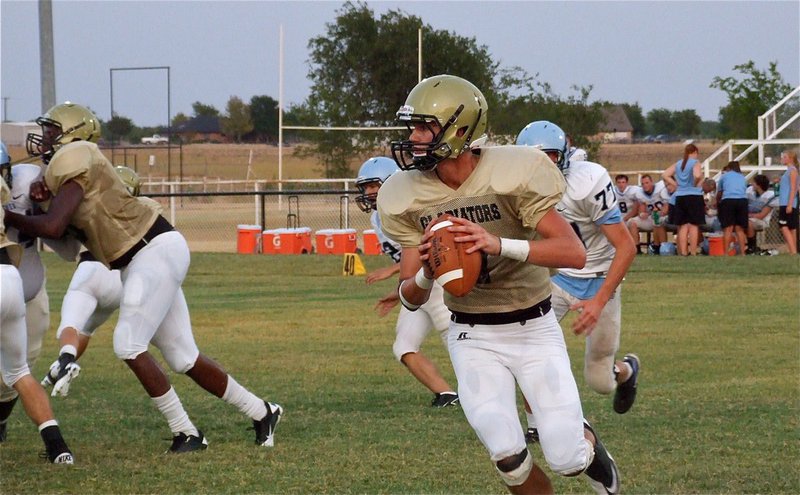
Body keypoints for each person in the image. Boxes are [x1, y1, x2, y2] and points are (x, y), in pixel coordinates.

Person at [378, 74, 620, 495]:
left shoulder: (513, 170)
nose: (413, 138)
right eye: (411, 128)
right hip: (472, 333)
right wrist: (426, 273)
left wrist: (498, 244)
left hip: (534, 328)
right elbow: (409, 295)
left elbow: (572, 252)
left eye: (423, 127)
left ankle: (591, 450)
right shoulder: (405, 195)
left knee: (565, 458)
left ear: (460, 128)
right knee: (507, 455)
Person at [4, 102, 282, 453]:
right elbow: (64, 235)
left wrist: (8, 216)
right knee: (183, 356)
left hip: (152, 249)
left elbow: (54, 225)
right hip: (141, 258)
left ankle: (188, 433)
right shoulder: (69, 170)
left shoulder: (76, 154)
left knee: (128, 344)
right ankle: (263, 411)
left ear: (73, 134)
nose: (44, 138)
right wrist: (44, 204)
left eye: (51, 130)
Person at [516, 121, 639, 436]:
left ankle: (626, 371)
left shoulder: (587, 182)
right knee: (530, 350)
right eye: (533, 159)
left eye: (549, 157)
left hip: (599, 278)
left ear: (564, 157)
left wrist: (598, 301)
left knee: (600, 381)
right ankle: (535, 426)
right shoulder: (518, 187)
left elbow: (626, 246)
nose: (542, 166)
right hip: (555, 277)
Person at [355, 157, 458, 408]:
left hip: (437, 286)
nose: (368, 193)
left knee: (458, 344)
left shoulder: (409, 209)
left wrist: (390, 271)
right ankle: (447, 394)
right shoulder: (377, 219)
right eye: (365, 187)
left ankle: (487, 393)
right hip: (417, 288)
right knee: (403, 346)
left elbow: (432, 252)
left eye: (373, 186)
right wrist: (398, 292)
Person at [40, 167, 144, 397]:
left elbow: (60, 226)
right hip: (120, 281)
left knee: (70, 326)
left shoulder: (92, 205)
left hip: (92, 270)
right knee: (86, 330)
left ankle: (66, 362)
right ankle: (54, 373)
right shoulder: (140, 213)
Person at [0, 155, 81, 440]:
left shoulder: (28, 180)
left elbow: (64, 238)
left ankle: (0, 421)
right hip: (13, 283)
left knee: (19, 369)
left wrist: (44, 203)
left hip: (27, 290)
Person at [662, 143, 704, 255]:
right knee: (694, 225)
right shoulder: (695, 163)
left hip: (680, 195)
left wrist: (675, 184)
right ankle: (693, 251)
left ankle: (683, 251)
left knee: (683, 225)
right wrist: (695, 184)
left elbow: (665, 174)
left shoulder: (679, 163)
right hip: (694, 195)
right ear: (694, 152)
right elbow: (698, 175)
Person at [628, 174, 668, 254]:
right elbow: (642, 207)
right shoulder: (640, 194)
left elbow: (667, 206)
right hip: (652, 216)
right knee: (632, 222)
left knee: (657, 218)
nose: (645, 185)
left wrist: (660, 212)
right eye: (643, 184)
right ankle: (637, 249)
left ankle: (663, 248)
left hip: (665, 216)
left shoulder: (661, 188)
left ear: (652, 182)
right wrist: (642, 214)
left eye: (647, 183)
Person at [716, 161, 748, 256]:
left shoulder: (724, 176)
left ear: (729, 168)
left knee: (728, 228)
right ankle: (743, 253)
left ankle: (726, 252)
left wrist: (718, 202)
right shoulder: (742, 177)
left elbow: (720, 192)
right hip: (742, 200)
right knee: (740, 229)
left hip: (728, 200)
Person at [745, 174, 775, 255]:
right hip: (750, 217)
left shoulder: (769, 196)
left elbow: (762, 215)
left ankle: (751, 247)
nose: (752, 184)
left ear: (759, 185)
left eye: (754, 182)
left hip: (762, 220)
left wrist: (747, 215)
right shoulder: (750, 192)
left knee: (749, 223)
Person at [777, 150, 799, 254]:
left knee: (783, 226)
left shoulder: (792, 170)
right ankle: (793, 251)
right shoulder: (788, 171)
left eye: (784, 157)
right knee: (791, 228)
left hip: (787, 203)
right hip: (786, 202)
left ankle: (793, 251)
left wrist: (790, 204)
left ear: (790, 158)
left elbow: (794, 188)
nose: (782, 159)